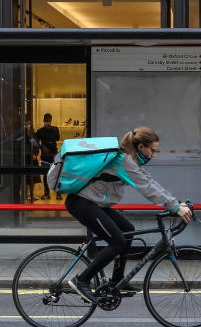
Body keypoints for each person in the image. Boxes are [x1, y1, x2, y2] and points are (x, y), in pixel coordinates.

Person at [62, 127, 193, 304]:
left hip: (93, 203)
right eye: (152, 150)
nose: (154, 154)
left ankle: (117, 280)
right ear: (140, 147)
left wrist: (176, 204)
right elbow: (147, 188)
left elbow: (150, 182)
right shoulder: (124, 161)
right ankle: (82, 280)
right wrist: (175, 207)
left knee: (127, 230)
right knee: (117, 242)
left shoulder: (129, 162)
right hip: (82, 203)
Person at [35, 113, 61, 200]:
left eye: (48, 121)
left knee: (56, 173)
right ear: (43, 121)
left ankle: (58, 193)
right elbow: (35, 142)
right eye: (46, 121)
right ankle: (47, 192)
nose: (47, 122)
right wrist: (41, 147)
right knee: (46, 174)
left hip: (53, 154)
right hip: (46, 155)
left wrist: (52, 130)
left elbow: (57, 138)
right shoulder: (40, 131)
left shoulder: (54, 129)